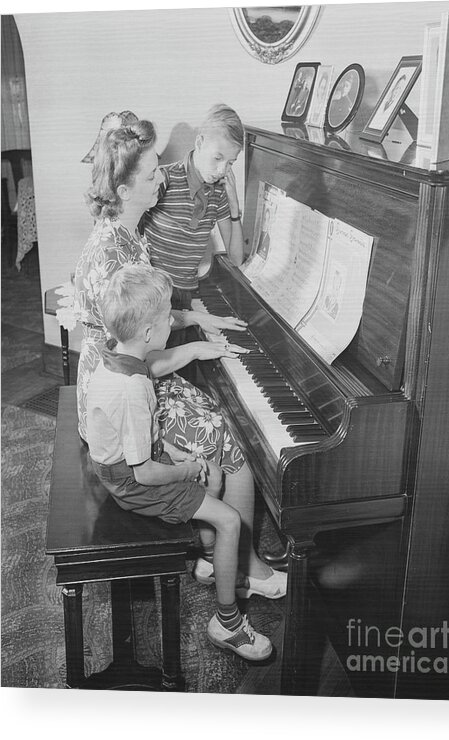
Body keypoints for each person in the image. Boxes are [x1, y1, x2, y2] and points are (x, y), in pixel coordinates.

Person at [74, 118, 286, 601]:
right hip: (117, 398)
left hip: (133, 378)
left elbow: (146, 322)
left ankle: (215, 556)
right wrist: (192, 343)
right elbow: (131, 364)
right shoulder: (113, 256)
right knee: (239, 442)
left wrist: (194, 317)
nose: (162, 178)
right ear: (125, 188)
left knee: (228, 417)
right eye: (151, 175)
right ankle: (241, 565)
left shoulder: (123, 232)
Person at [86, 263, 273, 660]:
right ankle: (228, 623)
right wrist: (186, 467)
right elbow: (144, 472)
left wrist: (180, 456)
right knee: (229, 519)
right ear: (150, 333)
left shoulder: (115, 357)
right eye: (168, 315)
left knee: (216, 471)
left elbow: (139, 432)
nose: (174, 320)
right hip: (132, 483)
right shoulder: (133, 389)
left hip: (128, 463)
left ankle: (209, 562)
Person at [143, 104, 246, 320]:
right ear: (199, 143)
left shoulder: (219, 193)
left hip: (184, 296)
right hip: (151, 296)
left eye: (231, 163)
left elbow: (236, 258)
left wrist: (234, 207)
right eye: (217, 158)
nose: (222, 170)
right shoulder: (164, 179)